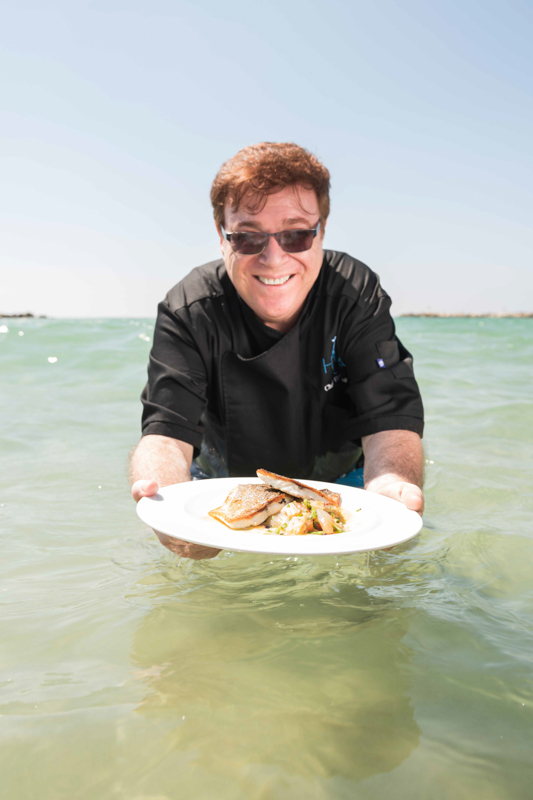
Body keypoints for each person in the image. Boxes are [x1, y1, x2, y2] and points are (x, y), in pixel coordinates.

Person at [131, 142, 425, 559]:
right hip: (221, 484)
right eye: (247, 237)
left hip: (344, 480)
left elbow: (389, 418)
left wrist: (389, 484)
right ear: (221, 236)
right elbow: (166, 436)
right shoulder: (189, 309)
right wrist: (169, 503)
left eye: (296, 234)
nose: (273, 258)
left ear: (321, 230)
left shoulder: (355, 294)